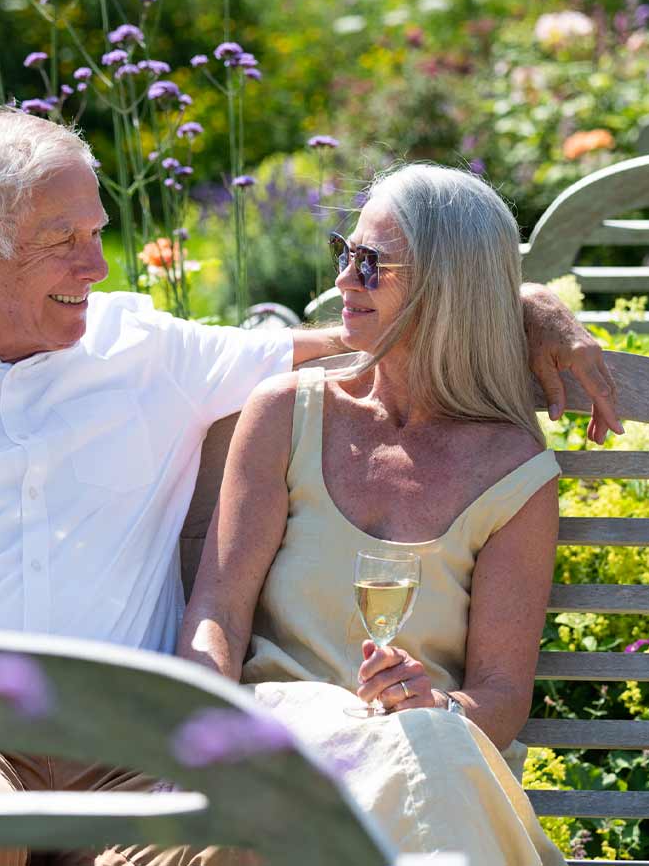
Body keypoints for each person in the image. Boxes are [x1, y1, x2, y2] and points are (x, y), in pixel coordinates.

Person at [0, 109, 614, 866]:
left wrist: (515, 300)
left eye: (99, 230)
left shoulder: (143, 345)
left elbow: (380, 335)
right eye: (65, 242)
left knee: (269, 835)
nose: (101, 264)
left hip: (131, 738)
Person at [178, 163, 568, 865]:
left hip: (426, 754)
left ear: (444, 289)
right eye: (345, 254)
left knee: (431, 749)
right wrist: (203, 718)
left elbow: (502, 695)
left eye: (371, 264)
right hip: (280, 744)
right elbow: (220, 611)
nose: (341, 283)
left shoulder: (514, 472)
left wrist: (436, 706)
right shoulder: (287, 414)